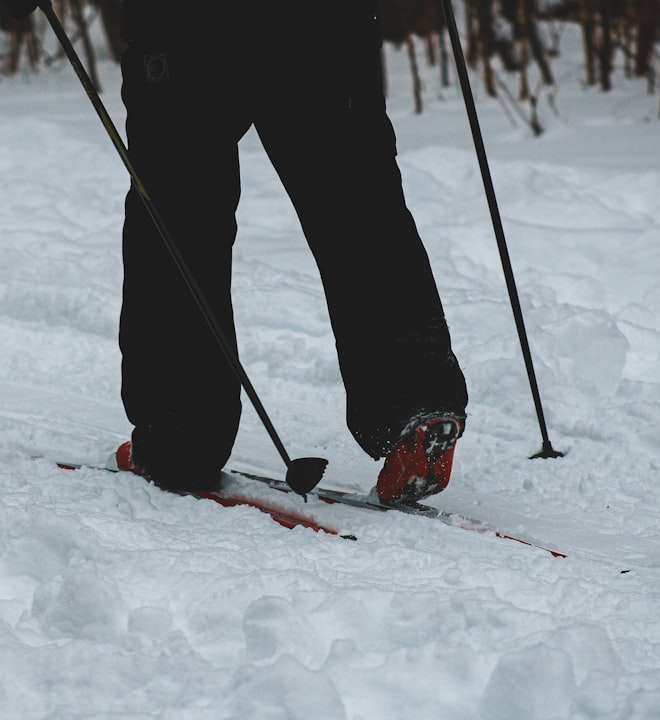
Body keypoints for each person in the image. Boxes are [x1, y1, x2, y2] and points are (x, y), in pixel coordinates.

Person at [115, 0, 468, 502]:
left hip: (188, 27)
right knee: (358, 205)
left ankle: (179, 437)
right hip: (325, 22)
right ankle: (416, 405)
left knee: (177, 219)